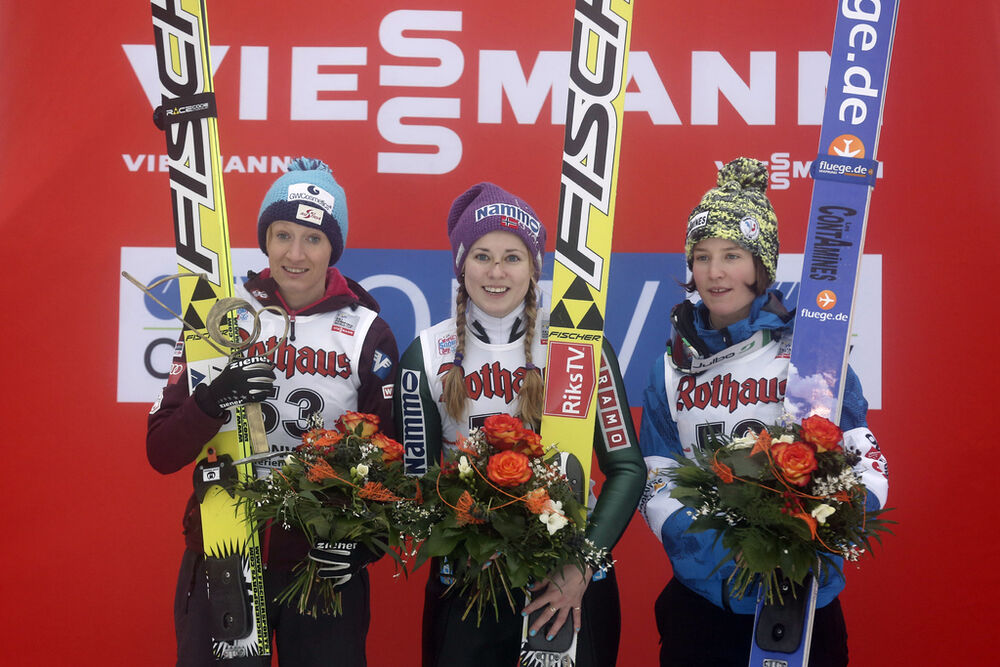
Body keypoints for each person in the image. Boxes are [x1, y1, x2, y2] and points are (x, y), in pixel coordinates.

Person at [638, 157, 890, 666]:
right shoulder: (669, 366)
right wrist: (714, 556)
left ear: (760, 265)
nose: (714, 271)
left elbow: (862, 452)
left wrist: (819, 534)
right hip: (704, 600)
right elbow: (657, 475)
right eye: (702, 256)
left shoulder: (809, 353)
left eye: (732, 254)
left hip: (801, 595)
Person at [147, 157, 398, 666]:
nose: (296, 254)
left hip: (321, 568)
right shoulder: (220, 316)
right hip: (225, 553)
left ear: (334, 248)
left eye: (313, 238)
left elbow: (392, 465)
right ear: (265, 240)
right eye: (283, 234)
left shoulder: (368, 330)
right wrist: (214, 398)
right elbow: (161, 450)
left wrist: (359, 549)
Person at [394, 182, 645, 667]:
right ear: (461, 264)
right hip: (470, 582)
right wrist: (462, 539)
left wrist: (582, 563)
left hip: (569, 586)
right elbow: (415, 479)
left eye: (513, 257)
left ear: (534, 267)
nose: (496, 271)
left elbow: (627, 467)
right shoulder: (426, 353)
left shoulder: (578, 347)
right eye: (482, 255)